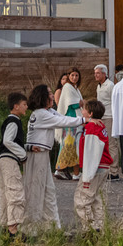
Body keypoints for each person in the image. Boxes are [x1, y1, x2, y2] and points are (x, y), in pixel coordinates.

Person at [25, 83, 84, 227]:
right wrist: (85, 120)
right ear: (43, 97)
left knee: (49, 190)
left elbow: (61, 117)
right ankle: (31, 226)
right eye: (50, 93)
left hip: (43, 154)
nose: (52, 95)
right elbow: (63, 121)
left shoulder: (48, 111)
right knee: (36, 190)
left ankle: (52, 225)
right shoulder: (41, 114)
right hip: (36, 155)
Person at [74, 99, 113, 230]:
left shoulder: (91, 127)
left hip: (95, 167)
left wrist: (88, 173)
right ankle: (100, 226)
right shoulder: (99, 125)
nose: (82, 111)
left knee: (82, 199)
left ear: (90, 113)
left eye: (84, 109)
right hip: (103, 166)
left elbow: (91, 150)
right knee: (96, 198)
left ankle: (90, 228)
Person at [0, 92, 29, 237]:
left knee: (5, 193)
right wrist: (23, 154)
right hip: (10, 160)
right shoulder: (14, 121)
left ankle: (5, 224)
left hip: (4, 159)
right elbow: (7, 140)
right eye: (24, 104)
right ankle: (13, 229)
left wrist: (26, 147)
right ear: (16, 106)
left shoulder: (12, 120)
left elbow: (13, 141)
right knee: (15, 192)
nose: (26, 107)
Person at [53, 70, 83, 180]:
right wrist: (79, 104)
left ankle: (65, 171)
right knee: (70, 145)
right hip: (70, 120)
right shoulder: (67, 87)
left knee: (72, 146)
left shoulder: (75, 88)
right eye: (72, 75)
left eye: (76, 75)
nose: (74, 77)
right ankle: (72, 172)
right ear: (69, 76)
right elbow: (69, 104)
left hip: (75, 120)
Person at [93, 65, 119, 179]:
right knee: (104, 144)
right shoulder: (99, 86)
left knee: (111, 144)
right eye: (95, 73)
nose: (96, 75)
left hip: (109, 117)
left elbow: (115, 102)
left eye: (98, 73)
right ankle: (107, 168)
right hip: (101, 117)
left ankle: (114, 171)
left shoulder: (110, 86)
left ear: (104, 74)